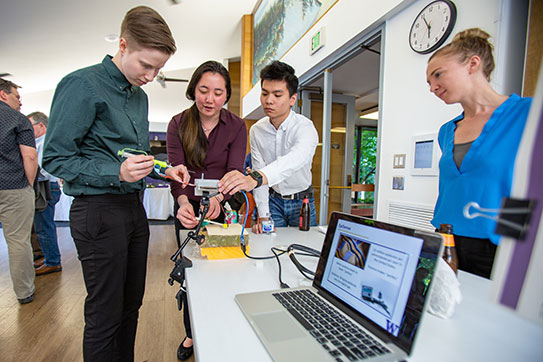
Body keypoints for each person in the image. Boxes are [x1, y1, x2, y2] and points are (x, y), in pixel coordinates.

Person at [42, 6, 189, 361]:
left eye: (159, 69)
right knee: (105, 314)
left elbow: (131, 157)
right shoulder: (81, 84)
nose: (152, 76)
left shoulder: (139, 97)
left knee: (130, 306)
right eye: (146, 65)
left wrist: (162, 169)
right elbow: (55, 159)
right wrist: (115, 173)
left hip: (132, 211)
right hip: (98, 212)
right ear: (123, 45)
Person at [426, 28, 532, 279]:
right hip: (446, 241)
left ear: (473, 64)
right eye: (429, 83)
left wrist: (512, 241)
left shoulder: (527, 114)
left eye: (438, 75)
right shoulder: (446, 131)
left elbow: (529, 186)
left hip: (499, 244)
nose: (433, 87)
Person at [166, 60, 247, 361]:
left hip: (221, 208)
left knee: (223, 269)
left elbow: (235, 170)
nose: (209, 99)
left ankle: (222, 327)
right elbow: (177, 170)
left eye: (217, 92)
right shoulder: (177, 124)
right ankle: (191, 333)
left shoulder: (237, 126)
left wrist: (220, 199)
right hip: (187, 207)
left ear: (226, 95)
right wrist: (184, 203)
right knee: (191, 273)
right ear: (193, 90)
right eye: (203, 90)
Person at [218, 60, 318, 232]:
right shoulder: (257, 130)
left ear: (292, 99)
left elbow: (295, 160)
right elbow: (258, 166)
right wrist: (263, 213)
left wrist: (255, 178)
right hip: (273, 201)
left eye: (277, 95)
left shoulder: (305, 128)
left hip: (302, 202)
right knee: (269, 247)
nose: (269, 100)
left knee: (304, 250)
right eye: (265, 94)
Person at [0, 78, 37, 304]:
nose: (20, 102)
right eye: (17, 96)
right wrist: (29, 185)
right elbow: (30, 156)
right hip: (13, 187)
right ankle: (24, 293)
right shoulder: (17, 119)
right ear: (3, 95)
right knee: (17, 241)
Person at [28, 111, 62, 275]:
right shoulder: (44, 142)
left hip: (46, 187)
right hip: (47, 186)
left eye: (30, 126)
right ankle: (50, 257)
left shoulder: (46, 142)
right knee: (43, 226)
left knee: (44, 227)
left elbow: (44, 168)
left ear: (41, 125)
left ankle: (53, 261)